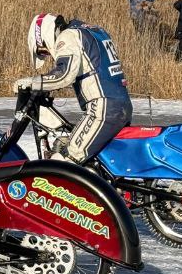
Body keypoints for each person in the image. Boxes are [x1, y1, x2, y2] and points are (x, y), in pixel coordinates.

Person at [13, 13, 132, 163]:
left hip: (103, 109)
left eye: (43, 50)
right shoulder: (94, 31)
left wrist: (32, 82)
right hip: (122, 105)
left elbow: (64, 75)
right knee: (98, 163)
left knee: (64, 162)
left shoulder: (68, 36)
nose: (48, 53)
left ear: (43, 34)